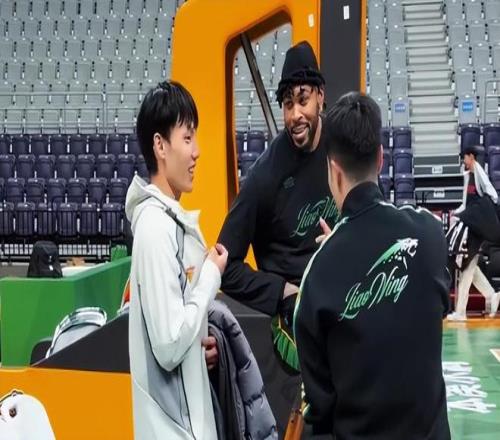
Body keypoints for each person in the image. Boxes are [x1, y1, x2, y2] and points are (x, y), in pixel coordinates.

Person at [294, 92, 451, 439]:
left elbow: (319, 410)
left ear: (333, 171)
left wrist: (338, 252)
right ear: (381, 159)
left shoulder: (318, 274)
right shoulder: (430, 235)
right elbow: (435, 306)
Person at [218, 41, 339, 370]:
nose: (295, 115)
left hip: (343, 296)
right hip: (294, 322)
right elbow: (224, 265)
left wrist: (345, 245)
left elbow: (372, 220)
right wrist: (282, 291)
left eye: (302, 100)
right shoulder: (265, 175)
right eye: (287, 104)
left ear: (320, 95)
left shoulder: (344, 148)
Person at [125, 81, 228, 440]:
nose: (196, 151)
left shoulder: (168, 223)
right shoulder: (155, 229)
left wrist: (199, 353)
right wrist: (210, 277)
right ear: (160, 146)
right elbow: (169, 345)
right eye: (187, 138)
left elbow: (177, 335)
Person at [447, 145, 500, 321]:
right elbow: (465, 204)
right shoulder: (467, 176)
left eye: (465, 157)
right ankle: (492, 295)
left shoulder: (479, 172)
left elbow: (493, 195)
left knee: (467, 267)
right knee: (470, 265)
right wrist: (456, 213)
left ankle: (461, 312)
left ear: (471, 157)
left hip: (477, 228)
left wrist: (482, 212)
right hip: (470, 225)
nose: (464, 161)